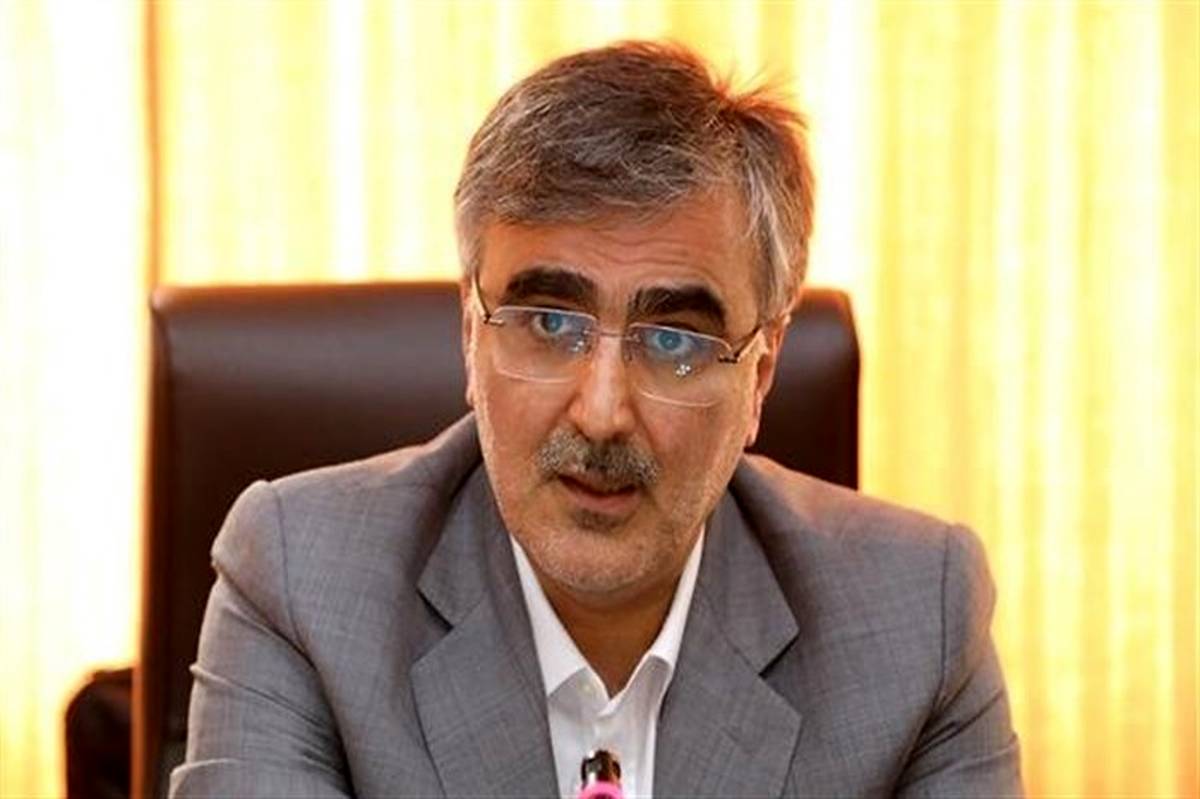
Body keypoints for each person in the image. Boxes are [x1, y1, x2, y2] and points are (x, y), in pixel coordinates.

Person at [170, 41, 1022, 798]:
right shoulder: (302, 583)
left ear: (759, 375)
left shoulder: (919, 619)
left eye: (674, 340)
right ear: (471, 335)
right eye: (550, 323)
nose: (604, 411)